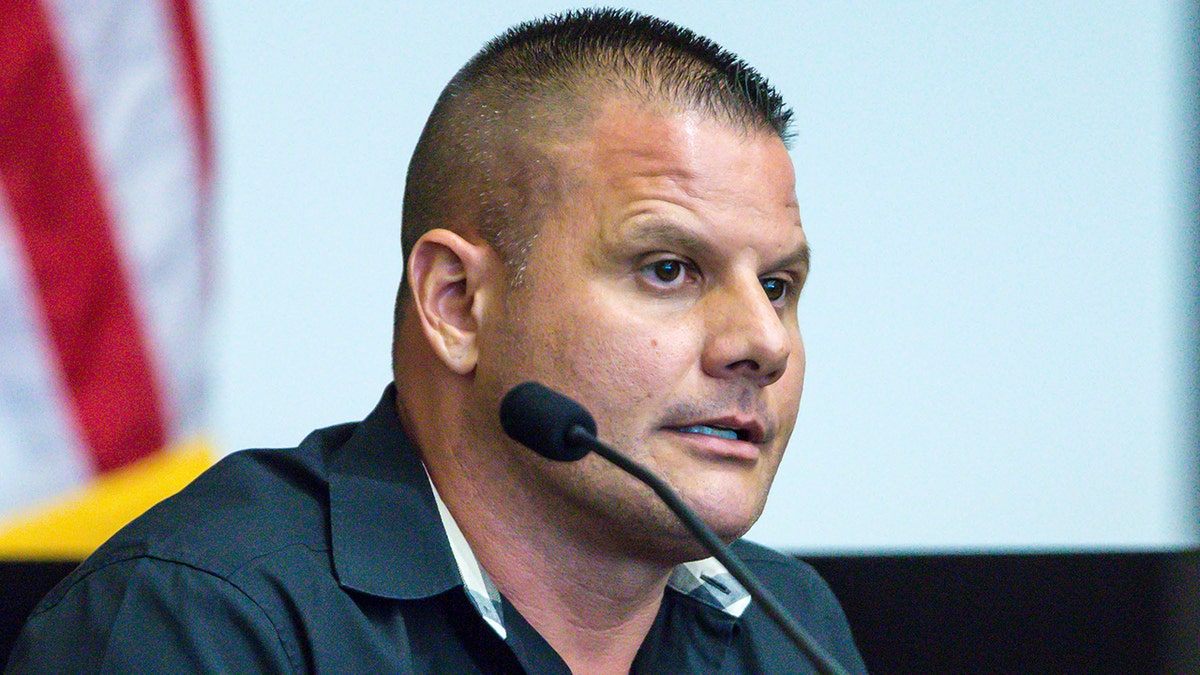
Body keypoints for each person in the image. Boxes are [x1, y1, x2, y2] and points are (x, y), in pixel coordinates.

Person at [7, 8, 868, 675]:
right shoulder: (204, 622)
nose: (763, 342)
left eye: (778, 285)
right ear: (456, 303)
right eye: (669, 269)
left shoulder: (785, 624)